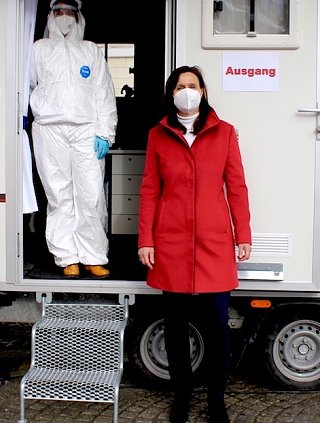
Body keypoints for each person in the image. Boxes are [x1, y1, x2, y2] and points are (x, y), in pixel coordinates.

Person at [138, 66, 252, 423]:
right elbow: (150, 190)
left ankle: (217, 401)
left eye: (193, 85)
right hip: (170, 244)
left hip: (214, 244)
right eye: (180, 86)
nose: (187, 91)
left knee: (218, 328)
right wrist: (146, 238)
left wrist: (243, 234)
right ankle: (182, 398)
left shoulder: (225, 132)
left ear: (203, 91)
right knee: (175, 328)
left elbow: (236, 187)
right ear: (172, 94)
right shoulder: (159, 134)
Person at [28, 0, 117, 278]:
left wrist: (106, 132)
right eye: (59, 13)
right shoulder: (38, 50)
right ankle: (67, 257)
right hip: (49, 129)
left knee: (90, 194)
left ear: (78, 18)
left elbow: (104, 92)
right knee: (59, 194)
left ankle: (93, 255)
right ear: (50, 17)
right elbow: (27, 85)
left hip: (86, 130)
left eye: (69, 13)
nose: (64, 18)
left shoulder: (89, 50)